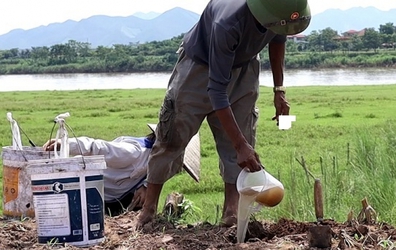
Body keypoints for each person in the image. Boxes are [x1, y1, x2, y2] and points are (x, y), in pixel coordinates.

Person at [137, 0, 311, 228]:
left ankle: (231, 212)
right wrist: (240, 146)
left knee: (242, 136)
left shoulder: (279, 14)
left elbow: (278, 39)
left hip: (244, 67)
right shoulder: (228, 23)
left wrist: (279, 89)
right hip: (199, 68)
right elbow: (217, 92)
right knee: (172, 138)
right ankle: (148, 210)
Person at [43, 124, 200, 216]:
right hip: (81, 191)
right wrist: (66, 144)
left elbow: (155, 176)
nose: (176, 167)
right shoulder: (133, 152)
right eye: (178, 161)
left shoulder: (159, 164)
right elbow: (100, 147)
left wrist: (145, 186)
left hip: (111, 198)